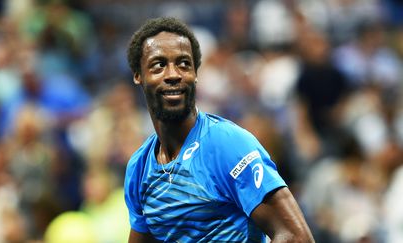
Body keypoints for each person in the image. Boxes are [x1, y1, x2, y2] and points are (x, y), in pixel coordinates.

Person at [124, 17, 314, 243]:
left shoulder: (227, 144)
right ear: (138, 75)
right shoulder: (139, 168)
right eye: (159, 65)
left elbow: (295, 236)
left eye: (184, 64)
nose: (173, 74)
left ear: (195, 74)